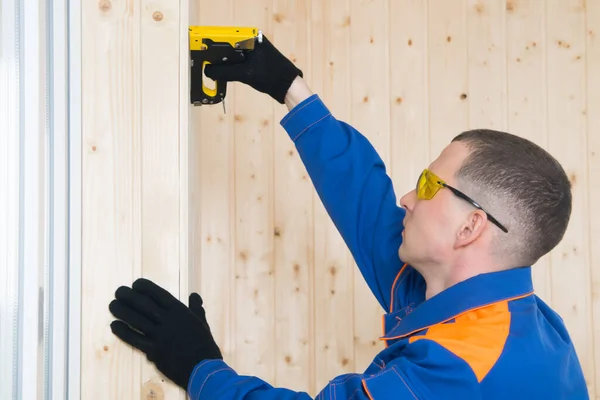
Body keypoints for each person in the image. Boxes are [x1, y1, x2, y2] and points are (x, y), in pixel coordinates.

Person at [108, 35, 590, 399]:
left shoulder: (460, 366)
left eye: (427, 186)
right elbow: (367, 207)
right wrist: (291, 90)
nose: (407, 197)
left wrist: (200, 369)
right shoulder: (502, 310)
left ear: (470, 227)